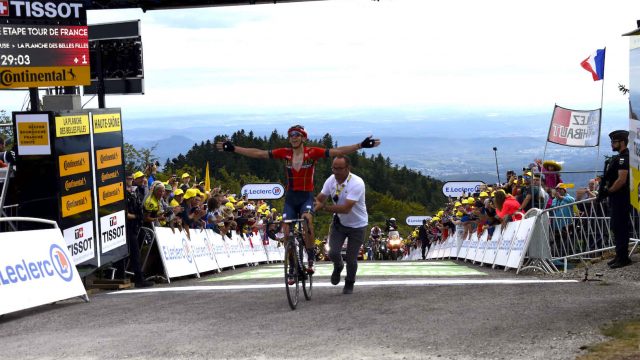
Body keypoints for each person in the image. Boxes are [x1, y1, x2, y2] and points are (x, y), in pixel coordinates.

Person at [217, 124, 380, 274]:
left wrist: (361, 145)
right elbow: (259, 154)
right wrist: (233, 148)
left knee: (307, 220)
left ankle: (310, 258)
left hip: (306, 197)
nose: (293, 137)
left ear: (303, 138)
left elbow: (337, 152)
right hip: (291, 198)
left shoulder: (312, 152)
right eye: (291, 135)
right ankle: (292, 266)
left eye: (297, 135)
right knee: (286, 230)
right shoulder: (285, 153)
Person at [315, 155, 369, 294]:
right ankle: (338, 265)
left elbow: (346, 208)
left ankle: (350, 282)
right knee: (332, 252)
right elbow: (320, 198)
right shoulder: (330, 180)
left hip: (357, 225)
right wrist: (310, 209)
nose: (336, 172)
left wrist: (324, 207)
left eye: (340, 169)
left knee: (351, 259)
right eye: (334, 168)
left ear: (347, 168)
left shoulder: (357, 183)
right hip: (339, 223)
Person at [598, 130, 632, 269]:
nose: (612, 144)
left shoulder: (624, 157)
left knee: (620, 226)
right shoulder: (621, 157)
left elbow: (621, 180)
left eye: (614, 142)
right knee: (617, 227)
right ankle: (619, 255)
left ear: (622, 142)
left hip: (621, 197)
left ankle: (623, 257)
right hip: (617, 198)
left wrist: (608, 191)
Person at [123, 173, 154, 288]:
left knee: (136, 252)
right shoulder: (123, 193)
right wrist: (137, 216)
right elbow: (125, 213)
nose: (130, 180)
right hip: (127, 227)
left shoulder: (134, 191)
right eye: (128, 178)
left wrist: (138, 216)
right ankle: (138, 279)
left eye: (131, 178)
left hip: (135, 226)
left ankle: (136, 276)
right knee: (134, 253)